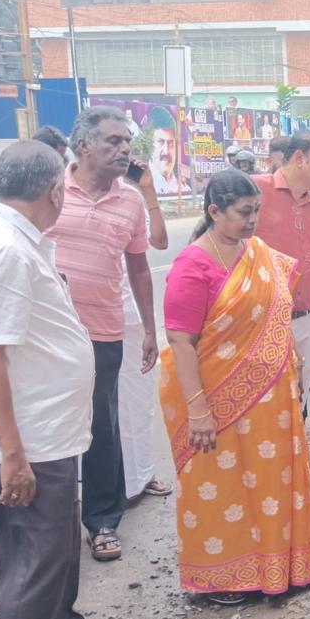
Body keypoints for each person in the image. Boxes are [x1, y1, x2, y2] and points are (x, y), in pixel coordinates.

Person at [0, 140, 116, 619]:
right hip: (26, 443)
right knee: (33, 569)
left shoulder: (22, 241)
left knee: (56, 559)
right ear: (53, 189)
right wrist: (13, 455)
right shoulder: (3, 249)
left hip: (48, 434)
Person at [159, 168, 310, 605]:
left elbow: (277, 318)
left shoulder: (258, 254)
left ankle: (284, 565)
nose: (253, 220)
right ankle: (225, 577)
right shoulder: (193, 264)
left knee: (273, 481)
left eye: (256, 210)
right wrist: (199, 409)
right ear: (214, 211)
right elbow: (182, 342)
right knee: (224, 484)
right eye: (244, 212)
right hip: (215, 397)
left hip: (270, 400)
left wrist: (293, 370)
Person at [46, 106, 159, 562]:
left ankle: (102, 521)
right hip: (49, 334)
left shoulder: (130, 199)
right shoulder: (51, 189)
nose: (124, 149)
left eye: (127, 141)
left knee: (101, 428)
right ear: (84, 145)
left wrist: (151, 327)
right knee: (49, 428)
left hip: (105, 329)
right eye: (113, 140)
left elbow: (139, 267)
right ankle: (51, 525)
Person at [252, 130, 310, 414]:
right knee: (264, 407)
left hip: (307, 320)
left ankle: (295, 458)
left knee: (298, 404)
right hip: (261, 322)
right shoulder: (255, 192)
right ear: (300, 158)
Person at [118, 160, 172, 501]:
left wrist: (148, 190)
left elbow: (161, 241)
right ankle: (107, 484)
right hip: (87, 318)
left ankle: (140, 475)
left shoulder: (130, 199)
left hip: (131, 315)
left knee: (137, 401)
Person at [0, 126, 68, 205]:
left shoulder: (53, 179)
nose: (62, 163)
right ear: (43, 154)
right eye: (59, 158)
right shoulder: (16, 179)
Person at [148, 106, 187, 195]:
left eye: (170, 144)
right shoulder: (141, 184)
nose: (166, 151)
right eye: (160, 142)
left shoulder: (184, 189)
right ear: (150, 143)